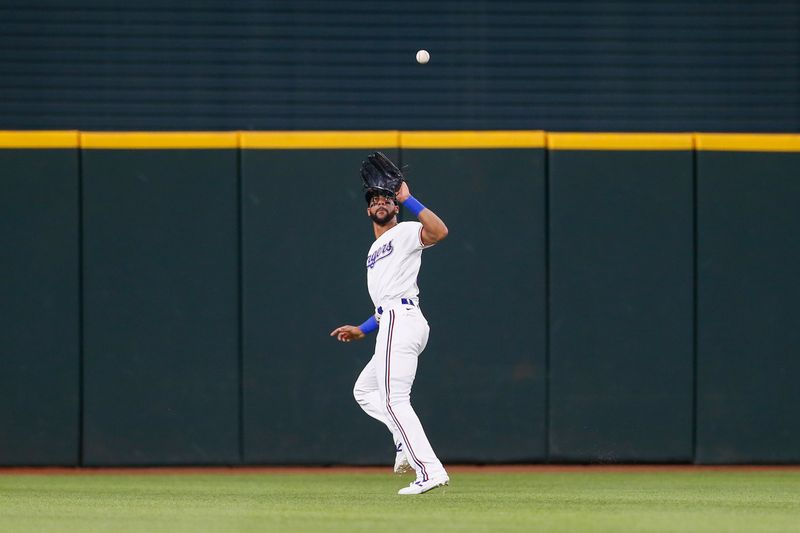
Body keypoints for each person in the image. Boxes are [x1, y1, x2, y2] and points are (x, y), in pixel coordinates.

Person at [330, 173, 450, 495]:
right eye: (374, 201)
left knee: (396, 399)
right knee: (365, 391)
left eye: (386, 199)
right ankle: (402, 442)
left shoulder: (406, 231)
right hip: (393, 320)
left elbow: (439, 232)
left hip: (402, 318)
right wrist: (363, 329)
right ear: (368, 211)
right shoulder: (373, 251)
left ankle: (429, 470)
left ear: (395, 207)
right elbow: (385, 303)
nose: (380, 203)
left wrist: (408, 198)